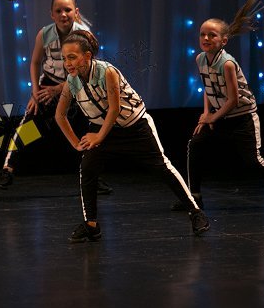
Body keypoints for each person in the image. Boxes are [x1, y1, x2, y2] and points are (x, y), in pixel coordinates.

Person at [54, 30, 209, 243]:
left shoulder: (107, 72)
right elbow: (60, 115)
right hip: (104, 129)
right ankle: (91, 224)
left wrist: (99, 137)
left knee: (162, 167)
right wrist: (75, 143)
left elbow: (114, 109)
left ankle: (195, 211)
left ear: (87, 56)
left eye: (72, 57)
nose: (67, 63)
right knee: (87, 168)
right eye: (64, 58)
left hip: (135, 127)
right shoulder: (71, 82)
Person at [172, 0, 264, 211]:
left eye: (212, 35)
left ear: (223, 41)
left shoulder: (227, 63)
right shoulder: (200, 59)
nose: (206, 38)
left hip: (241, 118)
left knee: (253, 160)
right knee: (195, 144)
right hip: (220, 116)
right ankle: (194, 196)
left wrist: (213, 117)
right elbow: (208, 88)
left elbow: (233, 99)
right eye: (202, 34)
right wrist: (206, 114)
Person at [0, 0, 112, 195]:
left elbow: (86, 68)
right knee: (29, 124)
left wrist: (59, 89)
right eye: (58, 11)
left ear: (76, 12)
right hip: (49, 83)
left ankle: (93, 177)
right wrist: (35, 91)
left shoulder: (84, 35)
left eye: (68, 10)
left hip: (77, 84)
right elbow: (35, 62)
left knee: (84, 130)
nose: (63, 14)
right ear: (52, 14)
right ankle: (8, 168)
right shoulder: (44, 34)